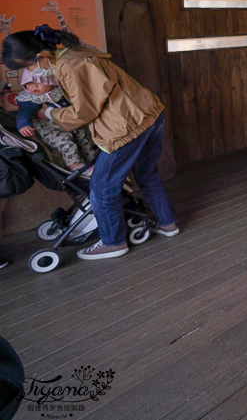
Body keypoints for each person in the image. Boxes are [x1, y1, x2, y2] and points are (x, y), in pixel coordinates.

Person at [2, 25, 179, 260]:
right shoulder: (76, 52)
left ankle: (113, 242)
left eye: (28, 67)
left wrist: (49, 114)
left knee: (102, 187)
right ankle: (168, 224)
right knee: (147, 174)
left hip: (124, 126)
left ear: (40, 57)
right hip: (149, 113)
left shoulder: (70, 67)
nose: (31, 74)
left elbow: (83, 113)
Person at [15, 69, 98, 174]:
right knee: (65, 143)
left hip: (70, 123)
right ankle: (74, 165)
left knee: (83, 139)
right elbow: (24, 113)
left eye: (39, 82)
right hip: (51, 130)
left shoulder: (60, 91)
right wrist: (24, 125)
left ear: (51, 81)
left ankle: (91, 161)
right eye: (29, 83)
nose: (34, 86)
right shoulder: (29, 99)